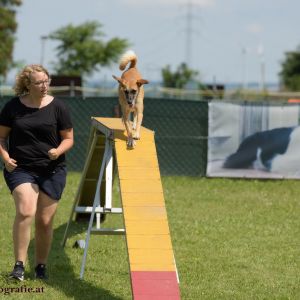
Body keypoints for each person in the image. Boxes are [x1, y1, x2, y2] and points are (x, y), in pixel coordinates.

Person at [0, 64, 74, 281]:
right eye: (39, 83)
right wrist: (5, 158)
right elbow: (1, 137)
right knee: (25, 210)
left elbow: (69, 139)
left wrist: (58, 150)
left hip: (52, 170)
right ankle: (19, 266)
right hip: (20, 168)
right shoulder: (13, 107)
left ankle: (41, 266)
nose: (44, 86)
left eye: (46, 81)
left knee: (44, 221)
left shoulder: (58, 107)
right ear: (27, 85)